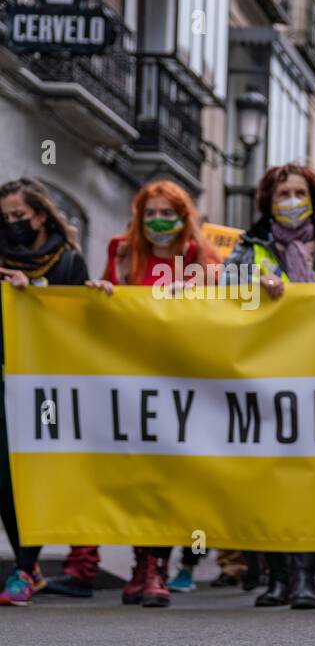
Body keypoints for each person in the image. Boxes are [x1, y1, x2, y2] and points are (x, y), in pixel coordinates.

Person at [223, 163, 315, 609]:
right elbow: (221, 295)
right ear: (268, 200)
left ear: (313, 199)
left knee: (308, 478)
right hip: (263, 379)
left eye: (299, 191)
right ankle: (276, 577)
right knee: (266, 477)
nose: (291, 199)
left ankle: (305, 577)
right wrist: (250, 283)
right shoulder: (248, 247)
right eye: (283, 192)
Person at [82, 180, 222, 608]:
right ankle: (142, 563)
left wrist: (197, 293)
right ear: (139, 216)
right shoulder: (121, 252)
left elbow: (225, 307)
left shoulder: (199, 258)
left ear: (184, 216)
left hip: (183, 381)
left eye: (168, 212)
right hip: (132, 378)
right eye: (152, 212)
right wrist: (105, 292)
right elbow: (109, 309)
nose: (160, 220)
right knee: (138, 474)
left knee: (170, 476)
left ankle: (158, 565)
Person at [0, 178, 91, 605]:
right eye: (5, 218)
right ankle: (28, 565)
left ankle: (23, 568)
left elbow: (76, 322)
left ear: (39, 214)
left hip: (47, 385)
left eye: (18, 216)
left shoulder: (69, 261)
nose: (12, 224)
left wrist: (33, 296)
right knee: (5, 478)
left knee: (31, 475)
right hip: (5, 377)